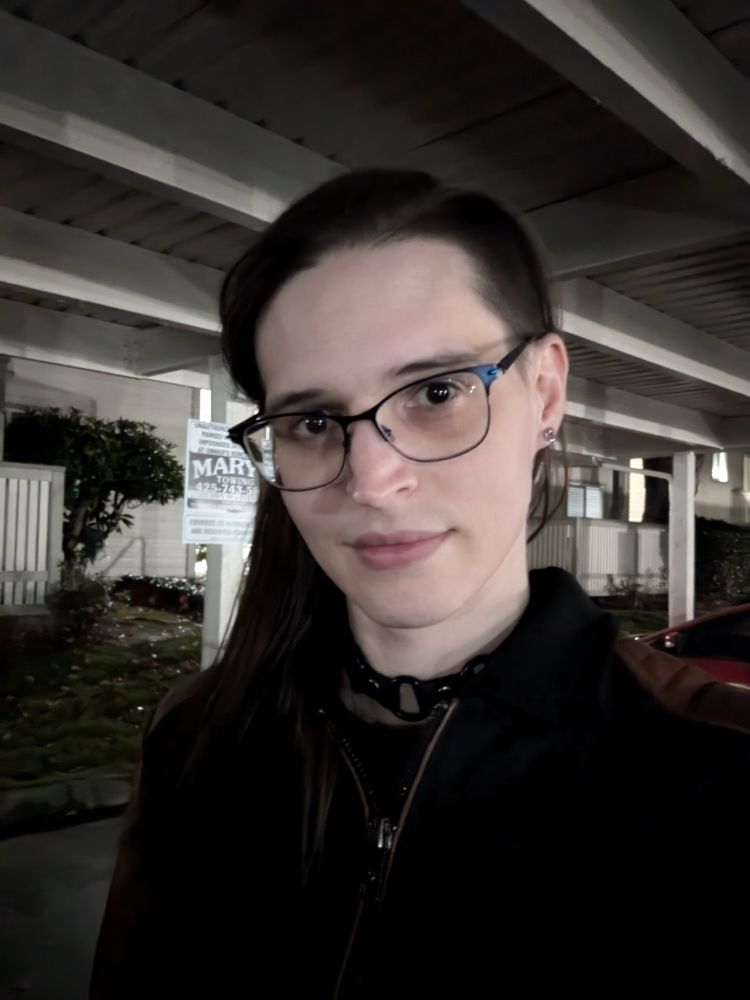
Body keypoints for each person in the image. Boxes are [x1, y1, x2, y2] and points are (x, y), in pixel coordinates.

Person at [91, 170, 750, 1000]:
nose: (371, 479)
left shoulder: (719, 770)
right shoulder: (198, 740)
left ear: (544, 392)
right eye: (314, 422)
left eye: (436, 392)